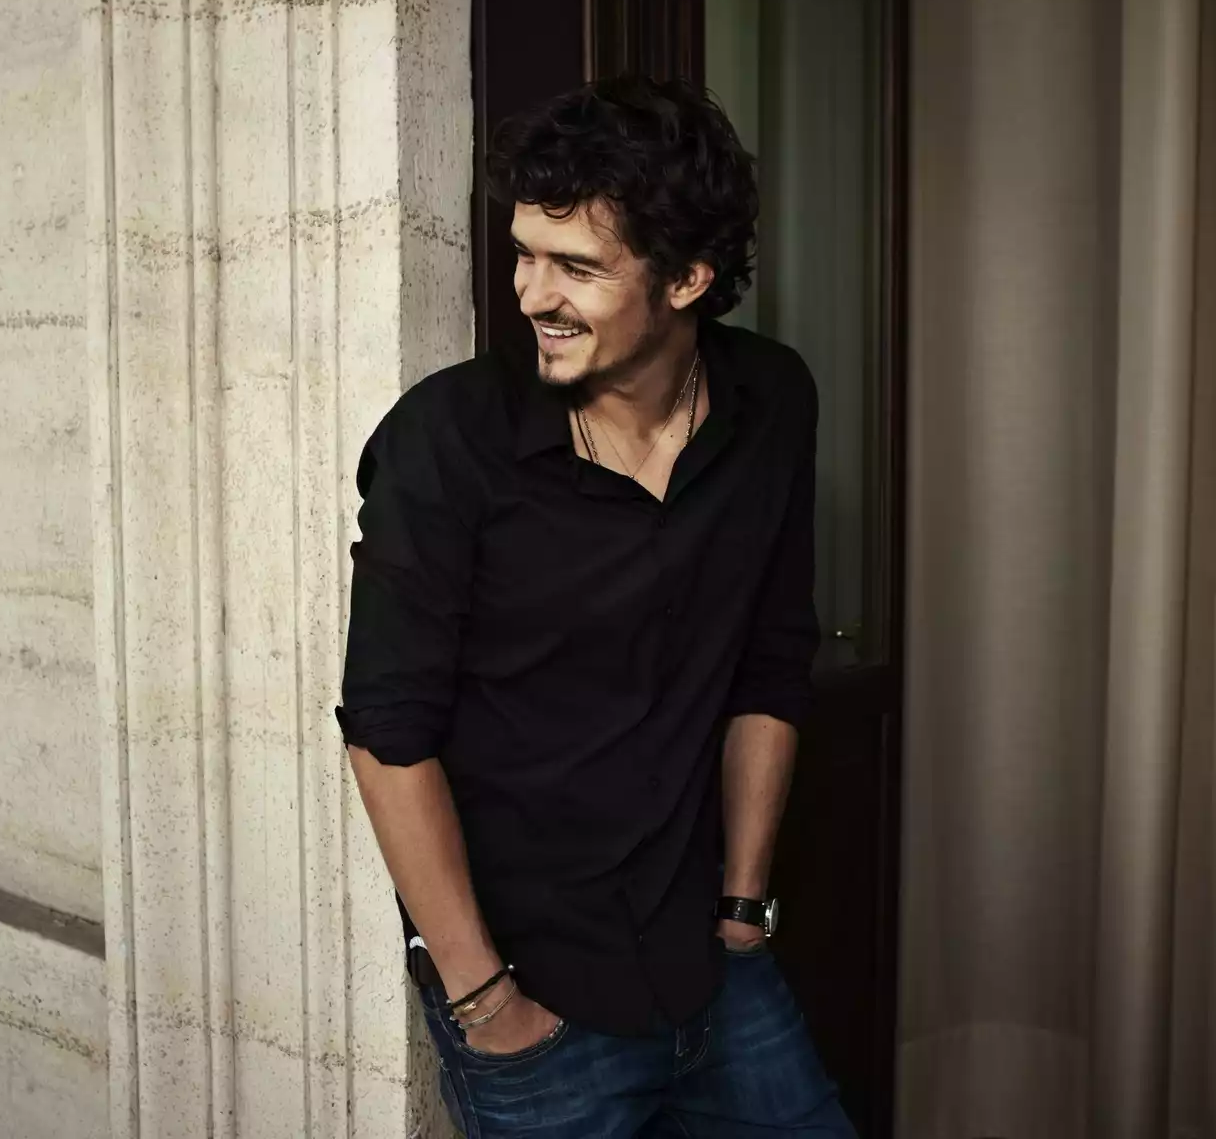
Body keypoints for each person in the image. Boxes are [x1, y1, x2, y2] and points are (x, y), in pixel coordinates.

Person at [335, 76, 856, 1138]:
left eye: (577, 267)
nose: (534, 294)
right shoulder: (447, 442)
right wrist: (486, 1001)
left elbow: (772, 656)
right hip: (539, 1001)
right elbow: (387, 733)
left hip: (717, 967)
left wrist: (744, 907)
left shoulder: (771, 402)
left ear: (688, 278)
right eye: (525, 254)